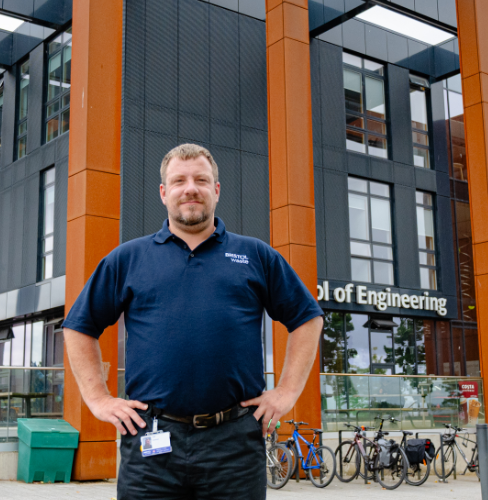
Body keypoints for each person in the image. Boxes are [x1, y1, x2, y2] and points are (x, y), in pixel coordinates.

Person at [62, 143, 323, 499]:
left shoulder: (255, 255)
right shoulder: (128, 259)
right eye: (179, 180)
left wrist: (287, 392)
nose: (190, 189)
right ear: (163, 192)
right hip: (152, 442)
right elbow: (79, 326)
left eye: (202, 179)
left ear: (216, 190)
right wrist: (98, 399)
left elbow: (307, 319)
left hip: (234, 443)